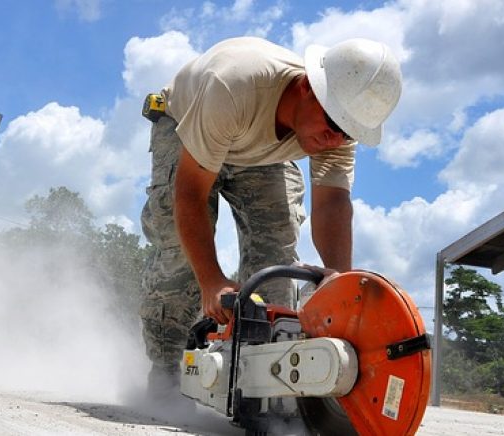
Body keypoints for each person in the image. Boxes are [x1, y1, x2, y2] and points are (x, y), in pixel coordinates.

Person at [138, 36, 402, 397]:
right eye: (332, 125)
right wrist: (212, 281)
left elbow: (332, 203)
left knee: (277, 256)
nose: (334, 140)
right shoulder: (233, 86)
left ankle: (259, 383)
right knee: (182, 256)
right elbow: (190, 196)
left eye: (347, 133)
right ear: (308, 87)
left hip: (259, 150)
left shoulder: (338, 126)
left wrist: (339, 283)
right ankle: (166, 374)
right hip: (189, 126)